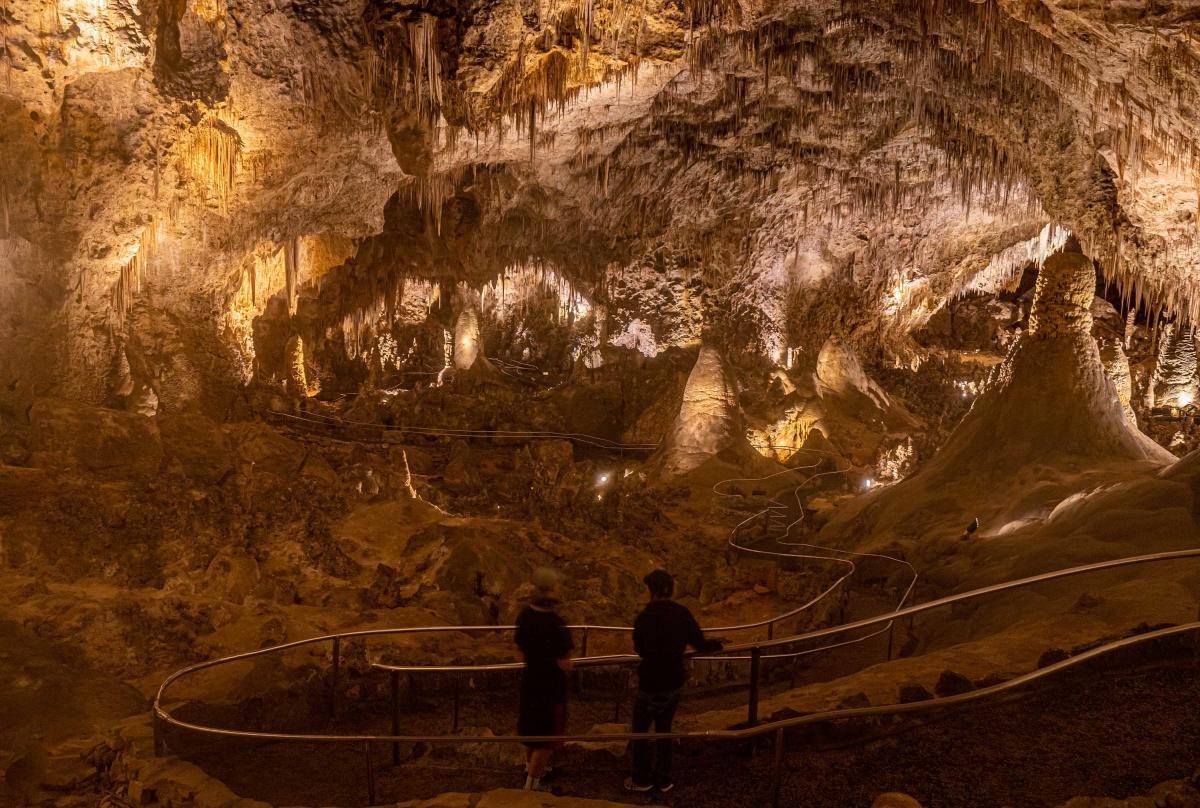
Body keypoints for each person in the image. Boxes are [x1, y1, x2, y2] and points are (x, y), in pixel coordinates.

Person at [626, 569, 723, 793]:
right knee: (665, 729)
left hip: (650, 681)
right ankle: (664, 778)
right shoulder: (681, 613)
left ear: (651, 590)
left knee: (640, 732)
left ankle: (641, 779)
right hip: (673, 681)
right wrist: (716, 644)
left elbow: (639, 648)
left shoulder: (645, 617)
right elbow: (699, 643)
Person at [514, 567, 574, 792]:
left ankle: (529, 771)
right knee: (545, 742)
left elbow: (519, 647)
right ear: (551, 590)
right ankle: (532, 786)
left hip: (530, 683)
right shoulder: (556, 624)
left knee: (531, 735)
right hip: (551, 690)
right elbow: (564, 662)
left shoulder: (524, 616)